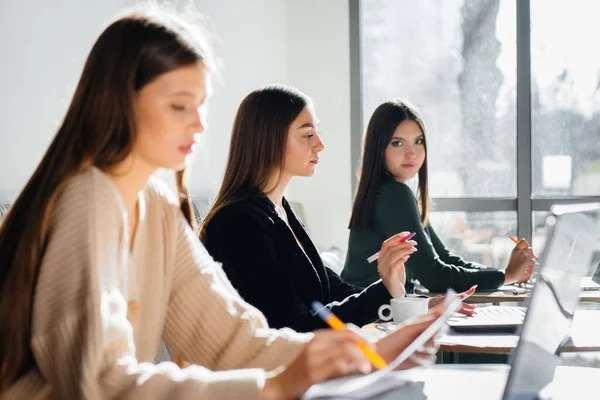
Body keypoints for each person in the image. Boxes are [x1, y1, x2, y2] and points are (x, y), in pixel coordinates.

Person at [0, 8, 447, 399]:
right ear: (120, 103)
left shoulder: (157, 206)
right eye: (179, 106)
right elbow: (100, 385)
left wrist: (363, 353)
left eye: (202, 106)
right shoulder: (89, 198)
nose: (198, 124)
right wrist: (273, 386)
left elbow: (235, 339)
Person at [200, 85, 474, 334]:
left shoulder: (280, 211)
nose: (320, 144)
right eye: (308, 134)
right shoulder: (239, 224)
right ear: (268, 140)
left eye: (317, 132)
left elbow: (330, 291)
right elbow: (289, 326)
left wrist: (410, 303)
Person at [342, 99, 534, 293]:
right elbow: (434, 276)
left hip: (378, 310)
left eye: (419, 141)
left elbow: (444, 258)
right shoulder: (393, 194)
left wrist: (503, 275)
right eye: (397, 143)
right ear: (378, 148)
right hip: (368, 316)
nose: (412, 153)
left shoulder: (388, 190)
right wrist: (506, 276)